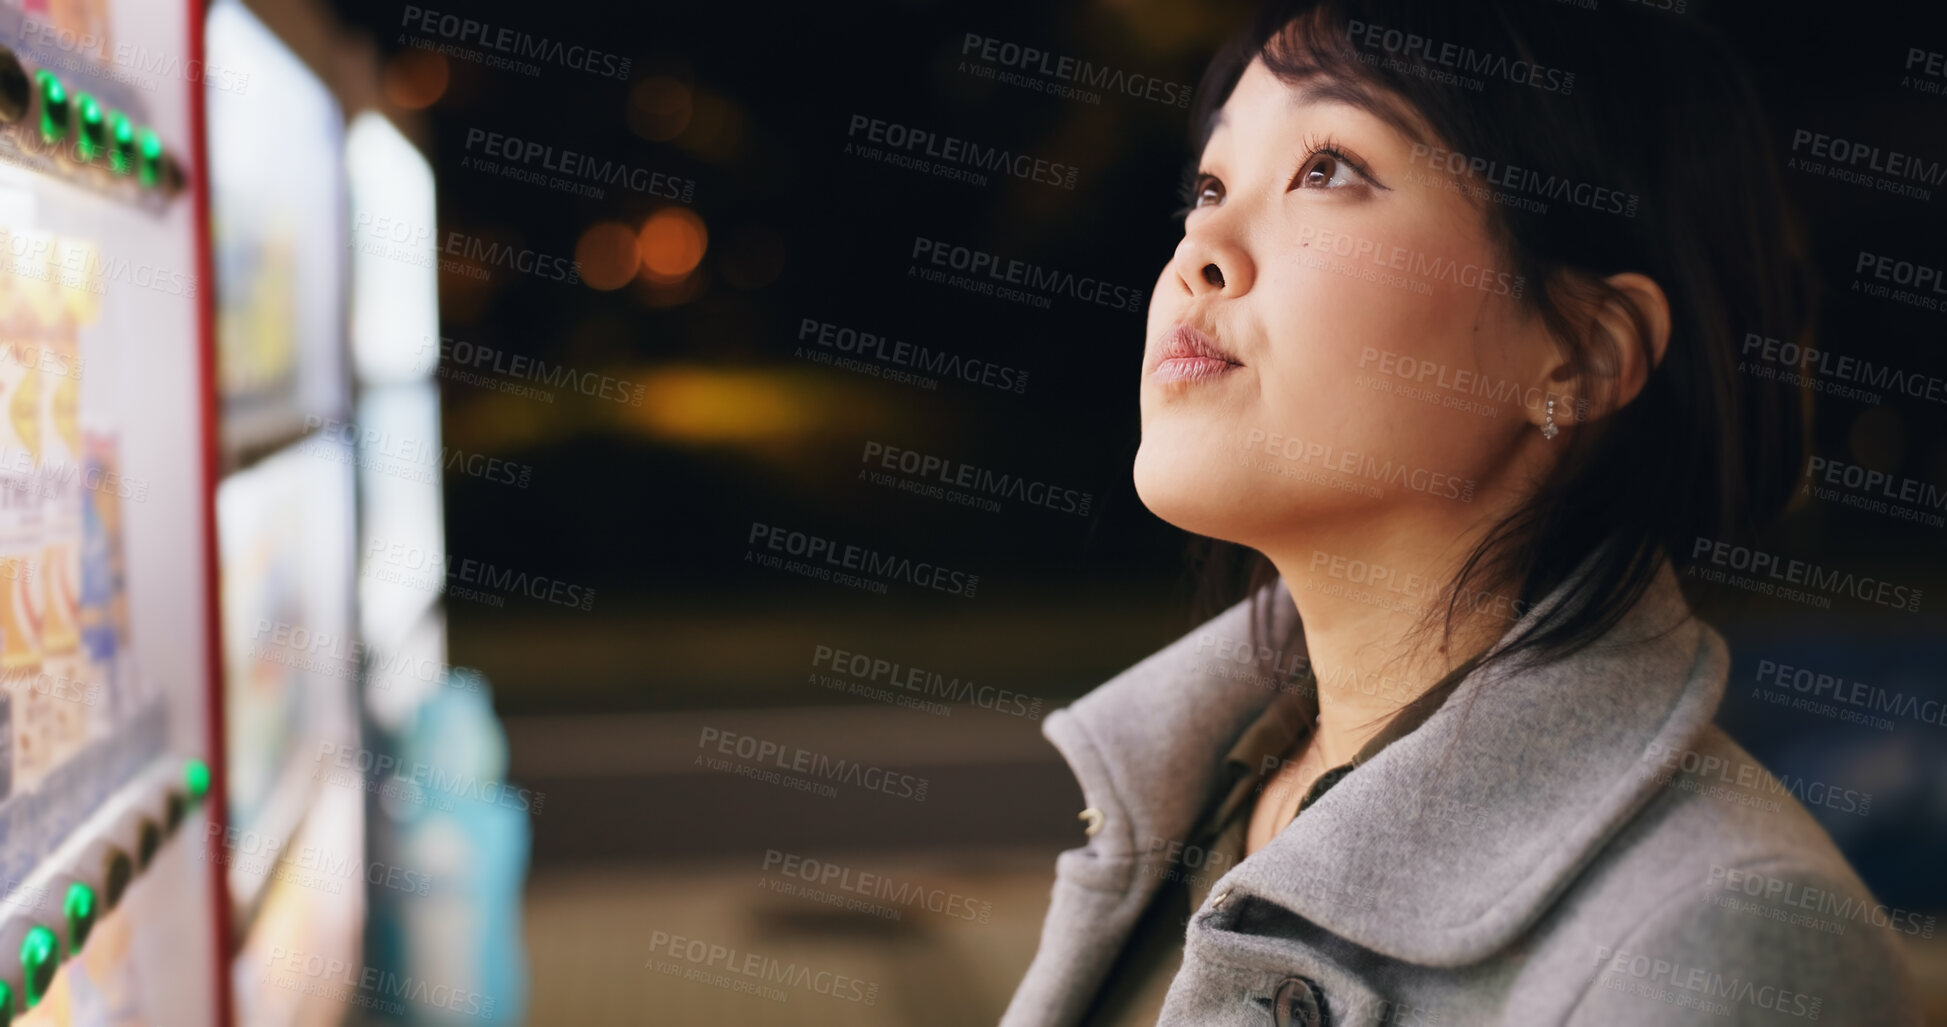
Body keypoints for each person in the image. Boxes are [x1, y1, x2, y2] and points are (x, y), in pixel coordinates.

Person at [1001, 1, 1923, 1024]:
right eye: (1211, 184)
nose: (1200, 246)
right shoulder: (1178, 801)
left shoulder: (1727, 939)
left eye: (1328, 170)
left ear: (1584, 351)